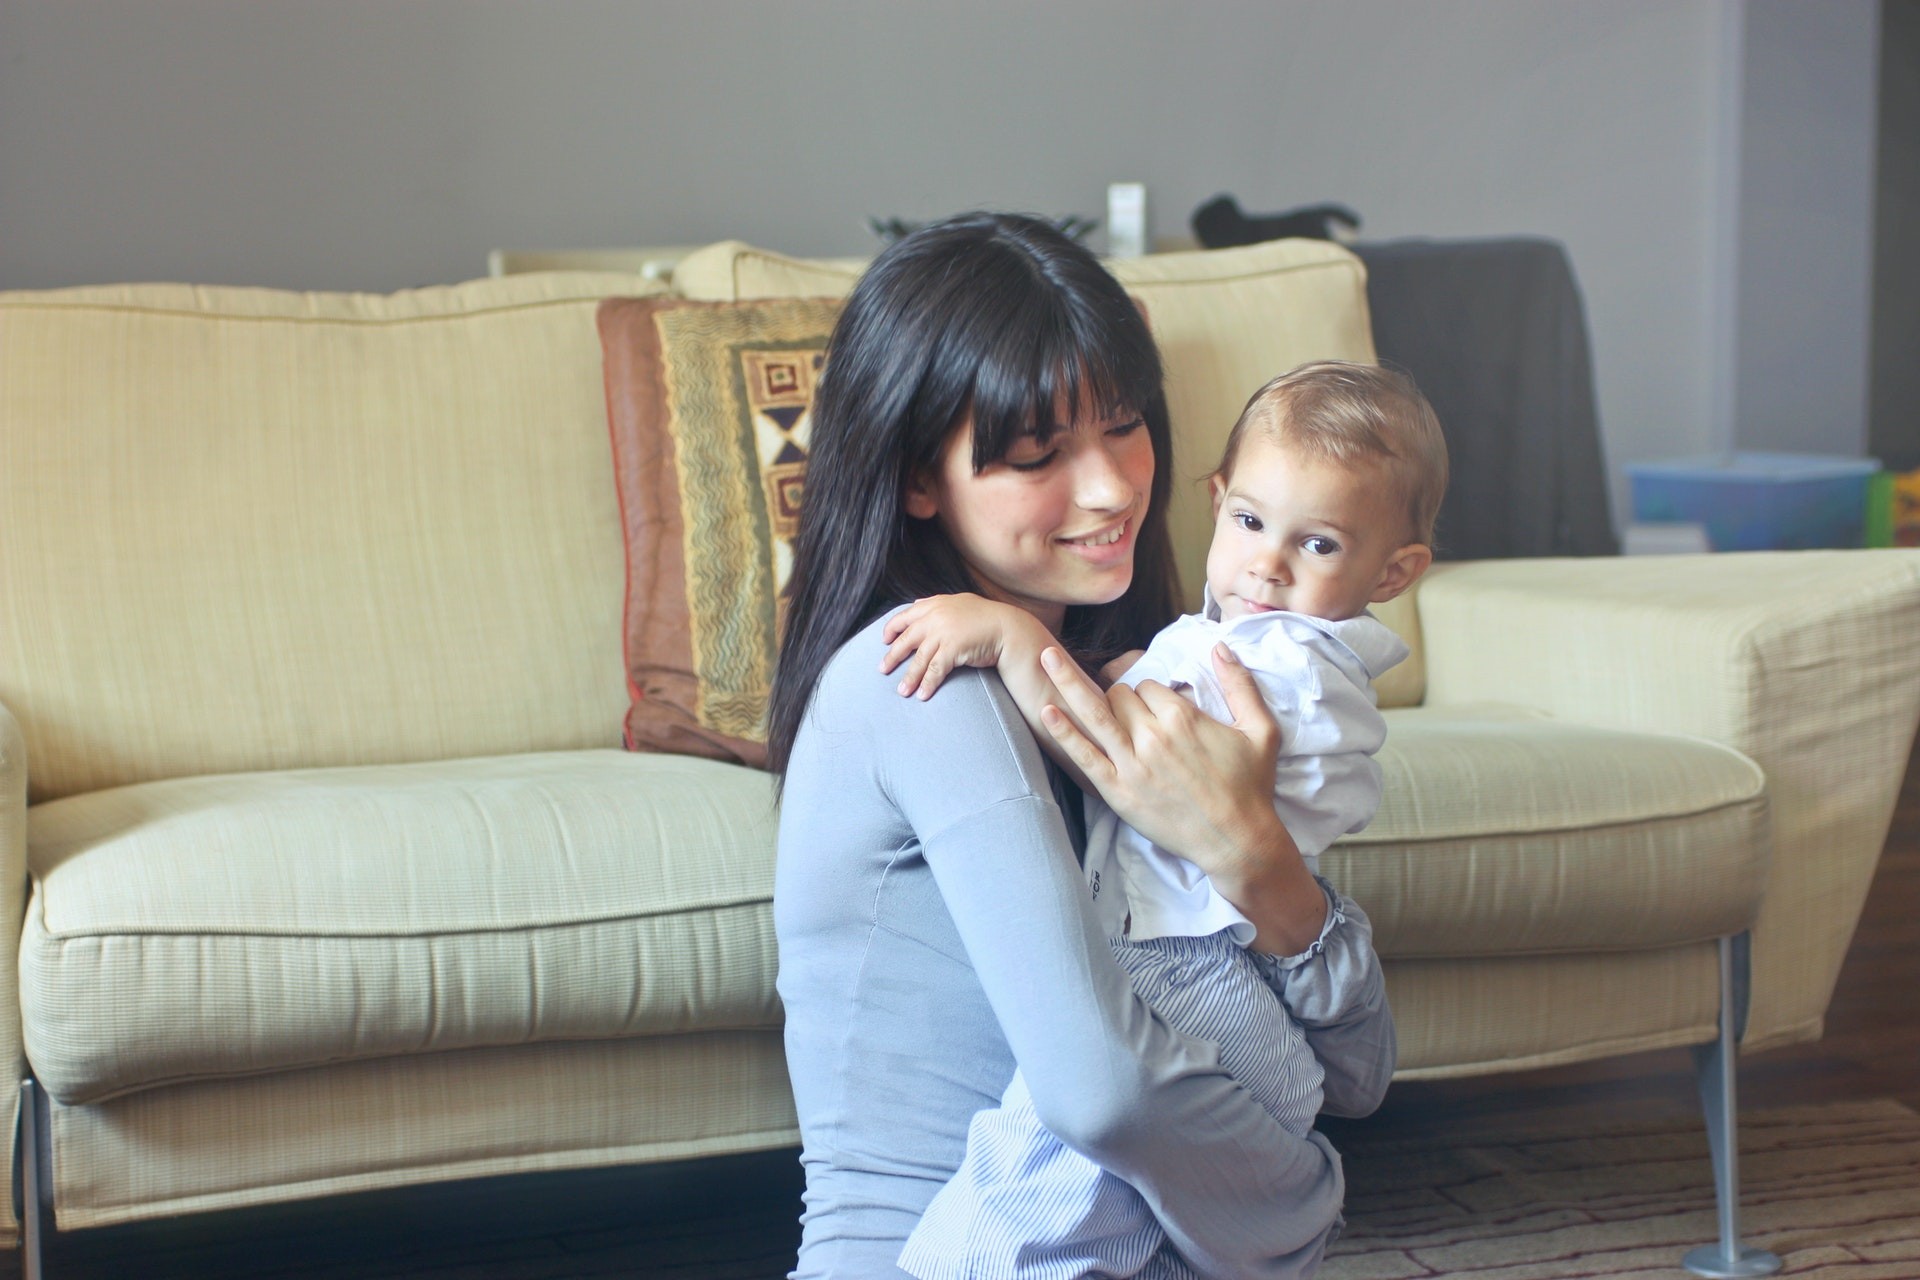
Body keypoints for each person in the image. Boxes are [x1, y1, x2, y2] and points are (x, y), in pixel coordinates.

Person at [769, 212, 1396, 1280]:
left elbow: (1361, 1069)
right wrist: (1304, 1196)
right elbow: (1101, 1088)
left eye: (1122, 423)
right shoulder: (921, 677)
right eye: (1036, 454)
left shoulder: (1153, 689)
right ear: (922, 479)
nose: (1109, 488)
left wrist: (1256, 855)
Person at [878, 361, 1447, 1278]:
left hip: (1182, 964)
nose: (1268, 562)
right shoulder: (1243, 644)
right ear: (1218, 501)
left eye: (1321, 546)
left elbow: (1117, 758)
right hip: (1215, 967)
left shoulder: (1285, 660)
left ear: (1396, 571)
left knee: (1033, 1189)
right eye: (1252, 522)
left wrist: (1019, 638)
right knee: (1128, 1230)